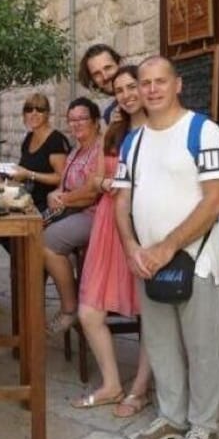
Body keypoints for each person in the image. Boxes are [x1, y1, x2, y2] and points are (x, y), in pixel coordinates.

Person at [114, 56, 219, 439]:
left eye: (159, 81)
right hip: (148, 262)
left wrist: (167, 247)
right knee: (162, 346)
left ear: (178, 84)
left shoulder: (204, 131)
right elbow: (121, 200)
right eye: (144, 82)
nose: (151, 89)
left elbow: (216, 200)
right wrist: (131, 247)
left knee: (202, 350)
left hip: (194, 260)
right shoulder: (134, 140)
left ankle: (204, 427)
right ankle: (171, 418)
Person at [72, 66, 152, 418]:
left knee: (152, 312)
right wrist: (108, 186)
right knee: (89, 311)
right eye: (119, 90)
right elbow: (99, 179)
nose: (125, 94)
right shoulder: (115, 131)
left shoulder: (159, 129)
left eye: (130, 86)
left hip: (145, 223)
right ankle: (111, 384)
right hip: (109, 223)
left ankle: (139, 389)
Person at [43, 97, 102, 335]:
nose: (76, 124)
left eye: (82, 119)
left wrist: (64, 199)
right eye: (72, 120)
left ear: (96, 122)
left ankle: (70, 309)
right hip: (72, 210)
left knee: (46, 243)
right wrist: (53, 196)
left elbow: (90, 195)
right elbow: (64, 186)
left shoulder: (99, 149)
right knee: (31, 235)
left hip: (94, 215)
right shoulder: (76, 151)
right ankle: (34, 306)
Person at [9, 93, 70, 213]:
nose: (34, 113)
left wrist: (29, 174)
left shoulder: (55, 140)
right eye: (29, 109)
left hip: (48, 205)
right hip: (27, 200)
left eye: (40, 109)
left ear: (47, 113)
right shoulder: (29, 138)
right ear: (24, 114)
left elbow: (61, 177)